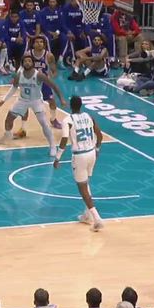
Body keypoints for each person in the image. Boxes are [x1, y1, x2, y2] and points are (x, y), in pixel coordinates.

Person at [0, 52, 66, 156]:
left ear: (32, 63)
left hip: (36, 101)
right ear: (22, 63)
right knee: (9, 119)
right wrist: (3, 100)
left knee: (44, 123)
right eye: (25, 61)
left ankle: (52, 145)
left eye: (29, 61)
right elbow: (14, 87)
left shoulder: (39, 75)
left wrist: (62, 99)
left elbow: (54, 86)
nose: (27, 63)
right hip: (22, 100)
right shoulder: (19, 75)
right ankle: (7, 135)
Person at [53, 95, 103, 230]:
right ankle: (87, 215)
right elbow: (100, 135)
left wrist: (57, 157)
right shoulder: (89, 116)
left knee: (82, 189)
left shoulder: (67, 120)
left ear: (71, 106)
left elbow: (64, 139)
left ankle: (97, 219)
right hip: (91, 153)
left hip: (80, 156)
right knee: (86, 184)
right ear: (81, 105)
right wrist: (97, 149)